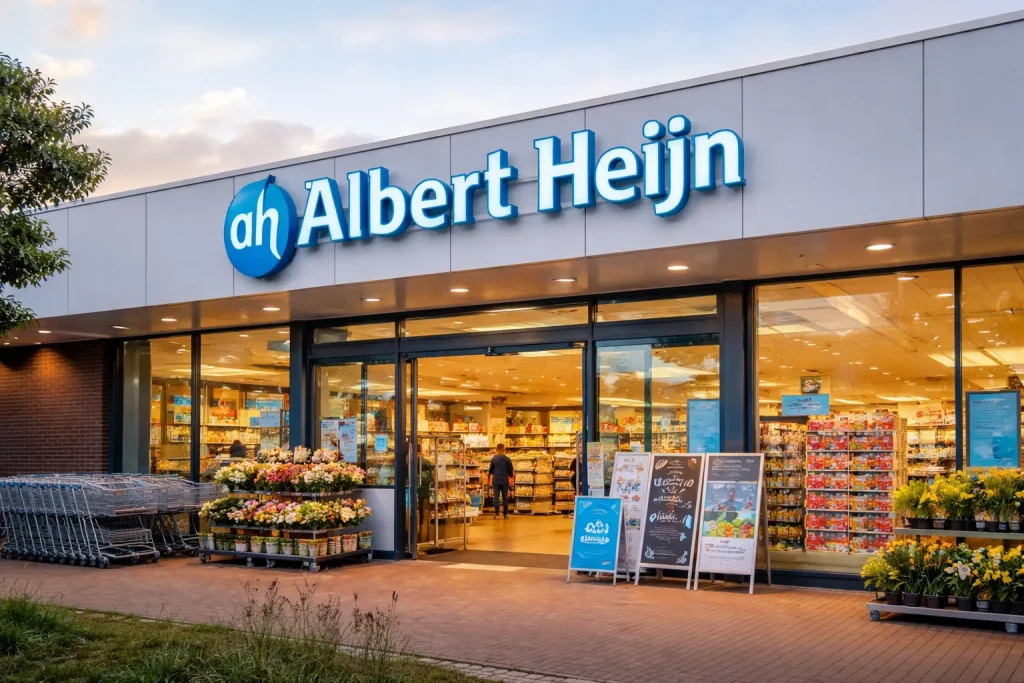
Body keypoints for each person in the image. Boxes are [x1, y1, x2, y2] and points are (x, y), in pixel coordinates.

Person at [487, 443, 515, 520]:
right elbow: (510, 471)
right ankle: (505, 514)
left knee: (496, 498)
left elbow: (490, 470)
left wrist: (490, 475)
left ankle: (496, 514)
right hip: (505, 481)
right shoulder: (507, 459)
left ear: (496, 449)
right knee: (505, 498)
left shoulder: (494, 459)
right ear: (504, 449)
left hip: (496, 481)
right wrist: (510, 475)